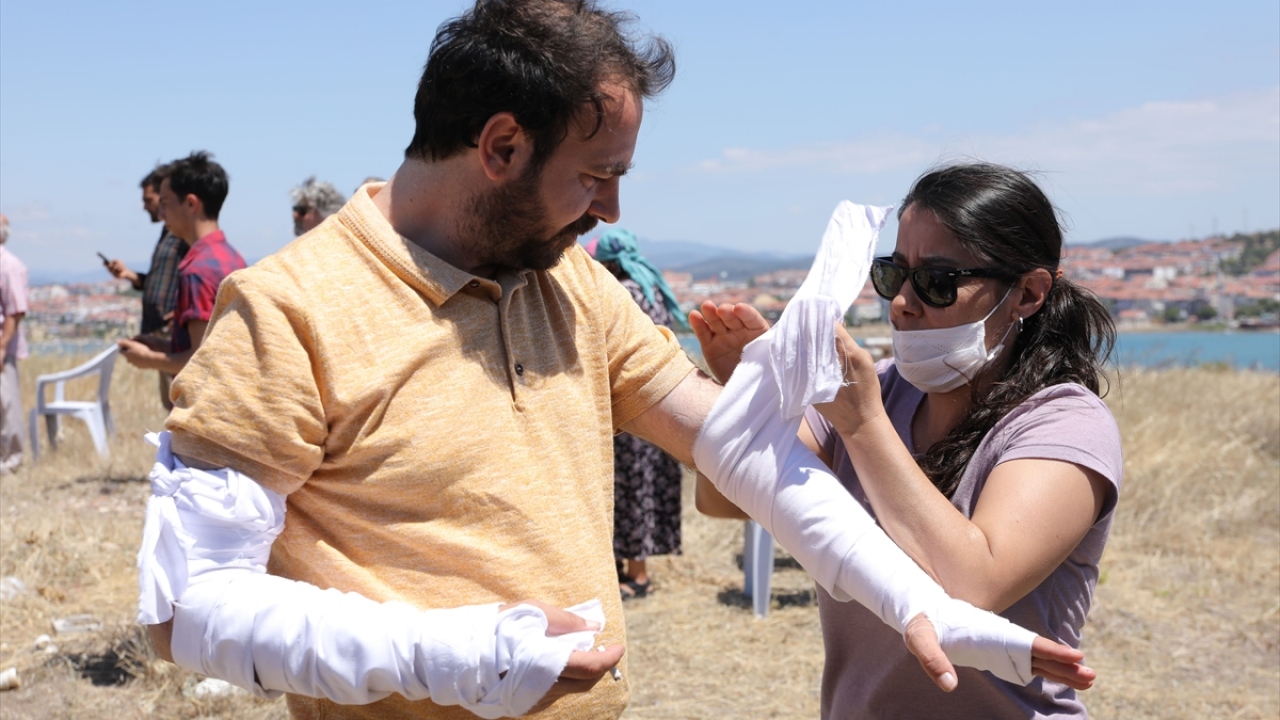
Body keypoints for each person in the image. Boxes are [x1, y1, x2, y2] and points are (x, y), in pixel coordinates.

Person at [135, 4, 1092, 719]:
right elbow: (189, 611)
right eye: (597, 177)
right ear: (501, 146)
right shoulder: (288, 311)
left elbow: (735, 451)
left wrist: (910, 596)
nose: (612, 214)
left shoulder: (572, 284)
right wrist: (452, 656)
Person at [695, 163, 1121, 719]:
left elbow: (972, 587)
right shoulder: (881, 391)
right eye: (895, 275)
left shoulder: (1063, 424)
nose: (902, 303)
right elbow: (722, 499)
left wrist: (863, 424)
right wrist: (752, 395)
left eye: (938, 281)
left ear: (1029, 293)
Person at [588, 228, 686, 600]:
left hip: (626, 413)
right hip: (654, 404)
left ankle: (637, 576)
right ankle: (635, 570)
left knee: (626, 493)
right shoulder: (650, 289)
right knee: (643, 490)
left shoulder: (623, 292)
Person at [118, 151, 245, 377]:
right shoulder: (233, 258)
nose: (162, 213)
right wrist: (165, 347)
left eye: (165, 203)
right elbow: (219, 349)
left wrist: (147, 359)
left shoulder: (197, 271)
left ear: (190, 204)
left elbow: (201, 361)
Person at [104, 163, 190, 408]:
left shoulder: (181, 233)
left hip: (173, 329)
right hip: (162, 330)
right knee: (170, 402)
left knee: (177, 403)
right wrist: (130, 275)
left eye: (151, 199)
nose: (146, 206)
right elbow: (160, 279)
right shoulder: (168, 232)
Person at [0, 214, 29, 473]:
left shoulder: (8, 265)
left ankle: (11, 460)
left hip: (2, 347)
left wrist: (2, 347)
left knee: (6, 402)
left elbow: (16, 310)